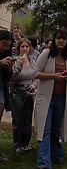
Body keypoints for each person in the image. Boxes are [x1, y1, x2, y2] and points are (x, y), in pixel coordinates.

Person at [33, 29, 67, 168]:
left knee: (56, 128)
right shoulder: (46, 54)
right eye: (58, 38)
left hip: (60, 98)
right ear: (54, 39)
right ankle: (44, 163)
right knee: (45, 129)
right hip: (46, 98)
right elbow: (35, 73)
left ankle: (56, 154)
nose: (61, 41)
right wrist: (54, 76)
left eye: (63, 39)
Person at [10, 38, 36, 154]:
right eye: (22, 47)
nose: (25, 49)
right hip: (17, 91)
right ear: (18, 48)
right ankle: (17, 144)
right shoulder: (14, 61)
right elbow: (13, 78)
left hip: (29, 92)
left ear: (30, 49)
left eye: (27, 47)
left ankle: (25, 143)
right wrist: (20, 65)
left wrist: (34, 85)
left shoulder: (33, 61)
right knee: (17, 119)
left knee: (27, 119)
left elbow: (36, 76)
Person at [0, 30, 13, 162]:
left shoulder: (7, 54)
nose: (5, 47)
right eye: (3, 44)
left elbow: (8, 78)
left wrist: (9, 69)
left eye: (8, 45)